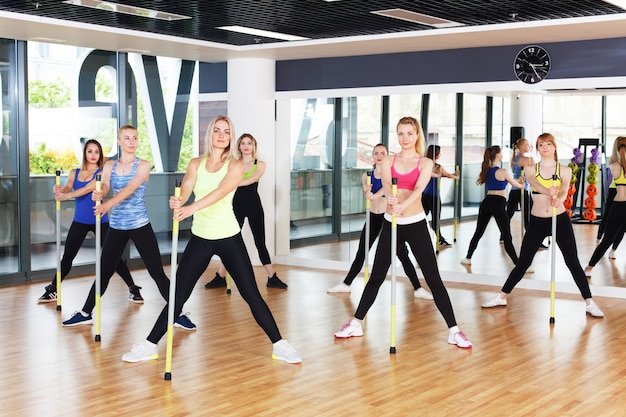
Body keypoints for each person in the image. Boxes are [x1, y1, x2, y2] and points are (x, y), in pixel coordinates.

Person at [121, 116, 301, 364]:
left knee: (251, 293)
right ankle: (150, 345)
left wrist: (191, 208)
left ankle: (280, 344)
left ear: (230, 137)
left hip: (228, 236)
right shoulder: (196, 163)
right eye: (217, 130)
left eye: (226, 132)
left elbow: (221, 192)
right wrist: (179, 200)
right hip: (201, 238)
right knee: (178, 296)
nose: (221, 135)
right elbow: (186, 188)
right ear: (210, 134)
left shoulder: (235, 166)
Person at [333, 116, 472, 349]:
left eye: (409, 133)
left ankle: (454, 330)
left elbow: (418, 190)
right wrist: (391, 198)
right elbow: (387, 184)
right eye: (400, 133)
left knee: (433, 279)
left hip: (416, 223)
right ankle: (356, 323)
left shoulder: (426, 163)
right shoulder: (388, 160)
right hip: (391, 224)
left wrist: (402, 206)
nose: (404, 138)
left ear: (417, 135)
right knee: (376, 276)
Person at [61, 125, 195, 330]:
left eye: (135, 138)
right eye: (127, 138)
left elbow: (131, 189)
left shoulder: (143, 165)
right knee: (104, 271)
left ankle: (178, 313)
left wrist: (107, 204)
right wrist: (100, 193)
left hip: (139, 225)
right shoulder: (109, 166)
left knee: (156, 272)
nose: (132, 142)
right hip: (117, 226)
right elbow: (105, 184)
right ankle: (85, 313)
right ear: (119, 141)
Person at [481, 133, 604, 318]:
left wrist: (559, 198)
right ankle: (502, 296)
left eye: (548, 143)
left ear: (554, 147)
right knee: (523, 262)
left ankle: (589, 302)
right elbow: (537, 185)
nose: (544, 147)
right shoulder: (530, 169)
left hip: (559, 219)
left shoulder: (565, 170)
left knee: (572, 262)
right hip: (537, 221)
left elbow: (563, 191)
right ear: (537, 148)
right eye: (540, 144)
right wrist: (549, 191)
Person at [38, 139, 143, 304]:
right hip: (80, 220)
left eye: (97, 151)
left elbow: (87, 189)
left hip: (100, 220)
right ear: (85, 154)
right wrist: (60, 191)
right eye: (90, 151)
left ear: (100, 154)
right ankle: (53, 289)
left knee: (113, 258)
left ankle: (133, 288)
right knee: (67, 257)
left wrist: (66, 196)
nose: (93, 155)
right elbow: (68, 188)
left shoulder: (101, 173)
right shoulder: (74, 172)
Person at [326, 143, 433, 300]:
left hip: (386, 219)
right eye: (376, 153)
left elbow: (385, 188)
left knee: (402, 254)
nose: (379, 156)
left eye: (383, 153)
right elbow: (367, 192)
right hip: (372, 218)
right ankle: (346, 284)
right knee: (362, 252)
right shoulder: (366, 175)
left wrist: (374, 196)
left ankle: (418, 288)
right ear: (373, 156)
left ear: (387, 155)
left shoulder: (389, 174)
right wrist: (367, 192)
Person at [204, 133, 288, 290]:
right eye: (243, 143)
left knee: (260, 242)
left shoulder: (260, 164)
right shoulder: (234, 164)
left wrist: (232, 183)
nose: (246, 146)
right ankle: (221, 277)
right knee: (229, 242)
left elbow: (252, 179)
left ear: (253, 146)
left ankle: (272, 278)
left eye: (249, 143)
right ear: (239, 146)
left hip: (254, 206)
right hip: (236, 206)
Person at [460, 146, 523, 266]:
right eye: (501, 153)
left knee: (478, 232)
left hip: (486, 202)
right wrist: (521, 183)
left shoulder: (486, 170)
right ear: (497, 155)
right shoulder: (503, 171)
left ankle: (468, 257)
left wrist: (518, 181)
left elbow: (512, 180)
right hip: (498, 203)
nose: (502, 155)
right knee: (506, 235)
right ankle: (518, 264)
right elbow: (515, 184)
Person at [585, 136, 626, 275]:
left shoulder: (614, 166)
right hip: (620, 206)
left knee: (607, 239)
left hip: (619, 205)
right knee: (611, 238)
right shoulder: (617, 165)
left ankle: (589, 268)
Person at [422, 144, 459, 247]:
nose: (441, 154)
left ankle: (438, 238)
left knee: (422, 218)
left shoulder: (424, 165)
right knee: (435, 221)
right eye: (439, 152)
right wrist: (455, 176)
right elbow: (446, 174)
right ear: (436, 154)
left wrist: (454, 175)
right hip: (433, 197)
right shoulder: (438, 167)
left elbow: (444, 175)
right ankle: (439, 239)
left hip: (424, 196)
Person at [595, 138, 625, 258]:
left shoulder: (615, 162)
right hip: (615, 191)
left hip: (616, 192)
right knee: (609, 216)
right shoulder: (616, 162)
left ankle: (610, 247)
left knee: (611, 218)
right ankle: (602, 240)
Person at [505, 138, 535, 236]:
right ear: (522, 147)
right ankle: (532, 238)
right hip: (522, 189)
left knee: (509, 214)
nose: (530, 147)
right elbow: (535, 172)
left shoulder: (515, 158)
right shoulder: (527, 159)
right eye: (528, 145)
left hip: (514, 190)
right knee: (529, 215)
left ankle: (503, 235)